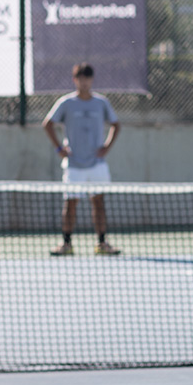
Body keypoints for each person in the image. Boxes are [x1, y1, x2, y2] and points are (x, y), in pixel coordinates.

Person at [42, 62, 121, 256]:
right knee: (70, 204)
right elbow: (48, 124)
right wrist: (59, 148)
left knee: (99, 203)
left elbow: (116, 124)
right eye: (80, 78)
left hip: (97, 164)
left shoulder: (101, 103)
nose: (84, 82)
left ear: (92, 80)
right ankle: (66, 244)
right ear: (75, 80)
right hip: (74, 165)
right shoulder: (66, 103)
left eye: (87, 78)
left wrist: (107, 146)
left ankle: (102, 243)